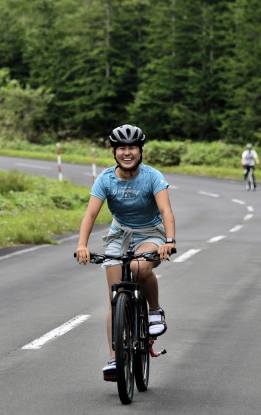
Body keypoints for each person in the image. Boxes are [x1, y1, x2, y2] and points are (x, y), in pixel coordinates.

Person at [75, 124, 177, 382]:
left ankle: (154, 310)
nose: (127, 152)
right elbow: (90, 213)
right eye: (122, 148)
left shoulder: (152, 176)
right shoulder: (106, 179)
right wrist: (82, 245)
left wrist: (169, 240)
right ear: (115, 152)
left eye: (132, 147)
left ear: (140, 151)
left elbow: (165, 211)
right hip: (119, 235)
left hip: (150, 233)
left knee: (138, 268)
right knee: (116, 294)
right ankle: (114, 357)